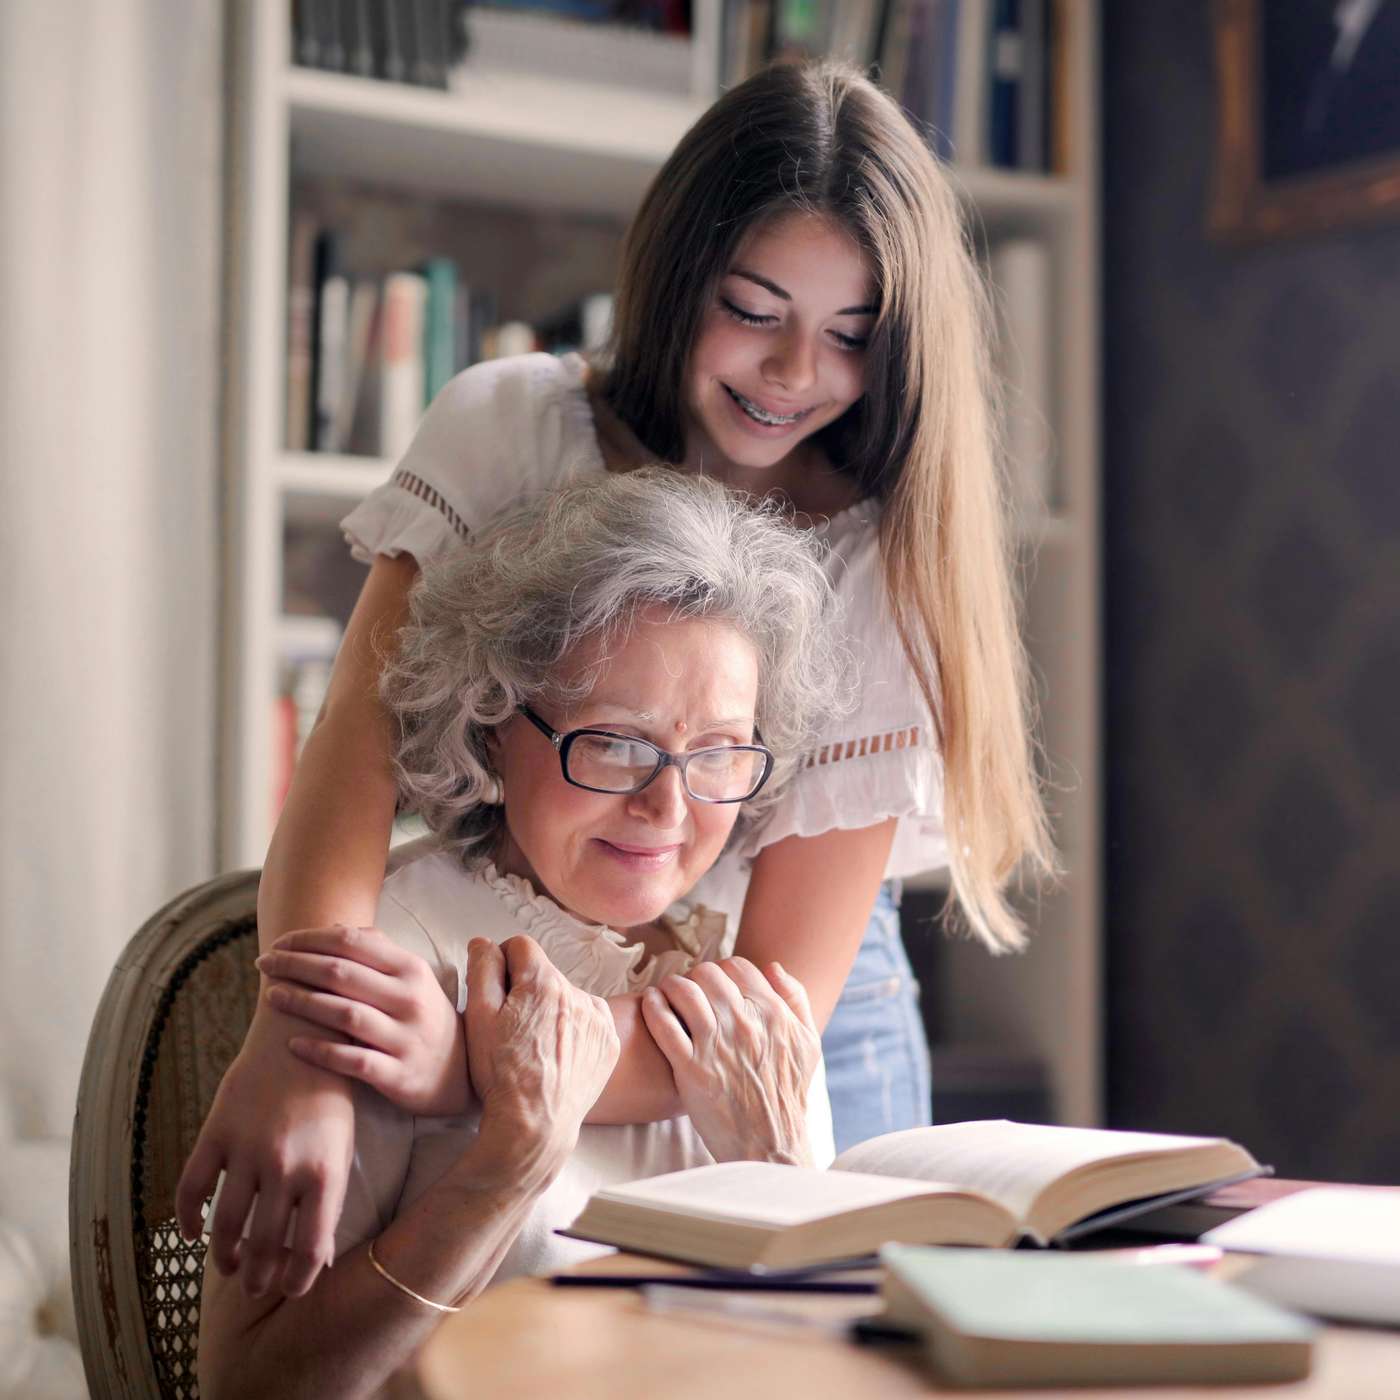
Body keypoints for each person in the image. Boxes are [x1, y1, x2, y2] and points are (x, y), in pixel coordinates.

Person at [177, 58, 1054, 1297]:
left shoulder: (876, 554)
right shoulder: (512, 429)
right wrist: (300, 1041)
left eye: (850, 335)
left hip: (782, 1018)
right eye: (752, 308)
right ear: (676, 274)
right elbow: (348, 774)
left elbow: (780, 993)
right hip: (515, 951)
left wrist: (463, 1067)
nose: (794, 372)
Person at [197, 470, 834, 1400]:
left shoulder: (745, 999)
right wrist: (503, 1172)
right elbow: (250, 1387)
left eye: (718, 754)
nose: (669, 806)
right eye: (617, 741)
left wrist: (779, 1172)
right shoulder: (387, 962)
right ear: (494, 723)